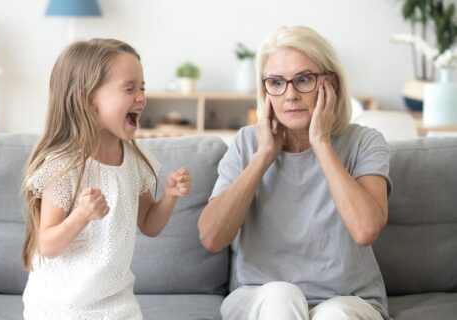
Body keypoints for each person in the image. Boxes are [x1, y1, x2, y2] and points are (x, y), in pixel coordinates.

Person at [198, 26, 392, 320]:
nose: (289, 95)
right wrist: (263, 155)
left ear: (332, 84)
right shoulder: (247, 144)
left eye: (303, 79)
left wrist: (321, 144)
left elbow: (365, 230)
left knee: (335, 315)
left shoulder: (364, 142)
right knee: (282, 296)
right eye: (276, 82)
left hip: (349, 299)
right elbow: (212, 237)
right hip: (259, 294)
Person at [21, 39, 192, 319]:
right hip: (60, 306)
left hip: (115, 303)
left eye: (142, 87)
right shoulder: (65, 165)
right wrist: (81, 216)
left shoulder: (135, 160)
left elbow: (149, 224)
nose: (141, 97)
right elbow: (47, 245)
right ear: (89, 100)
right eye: (129, 88)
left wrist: (170, 196)